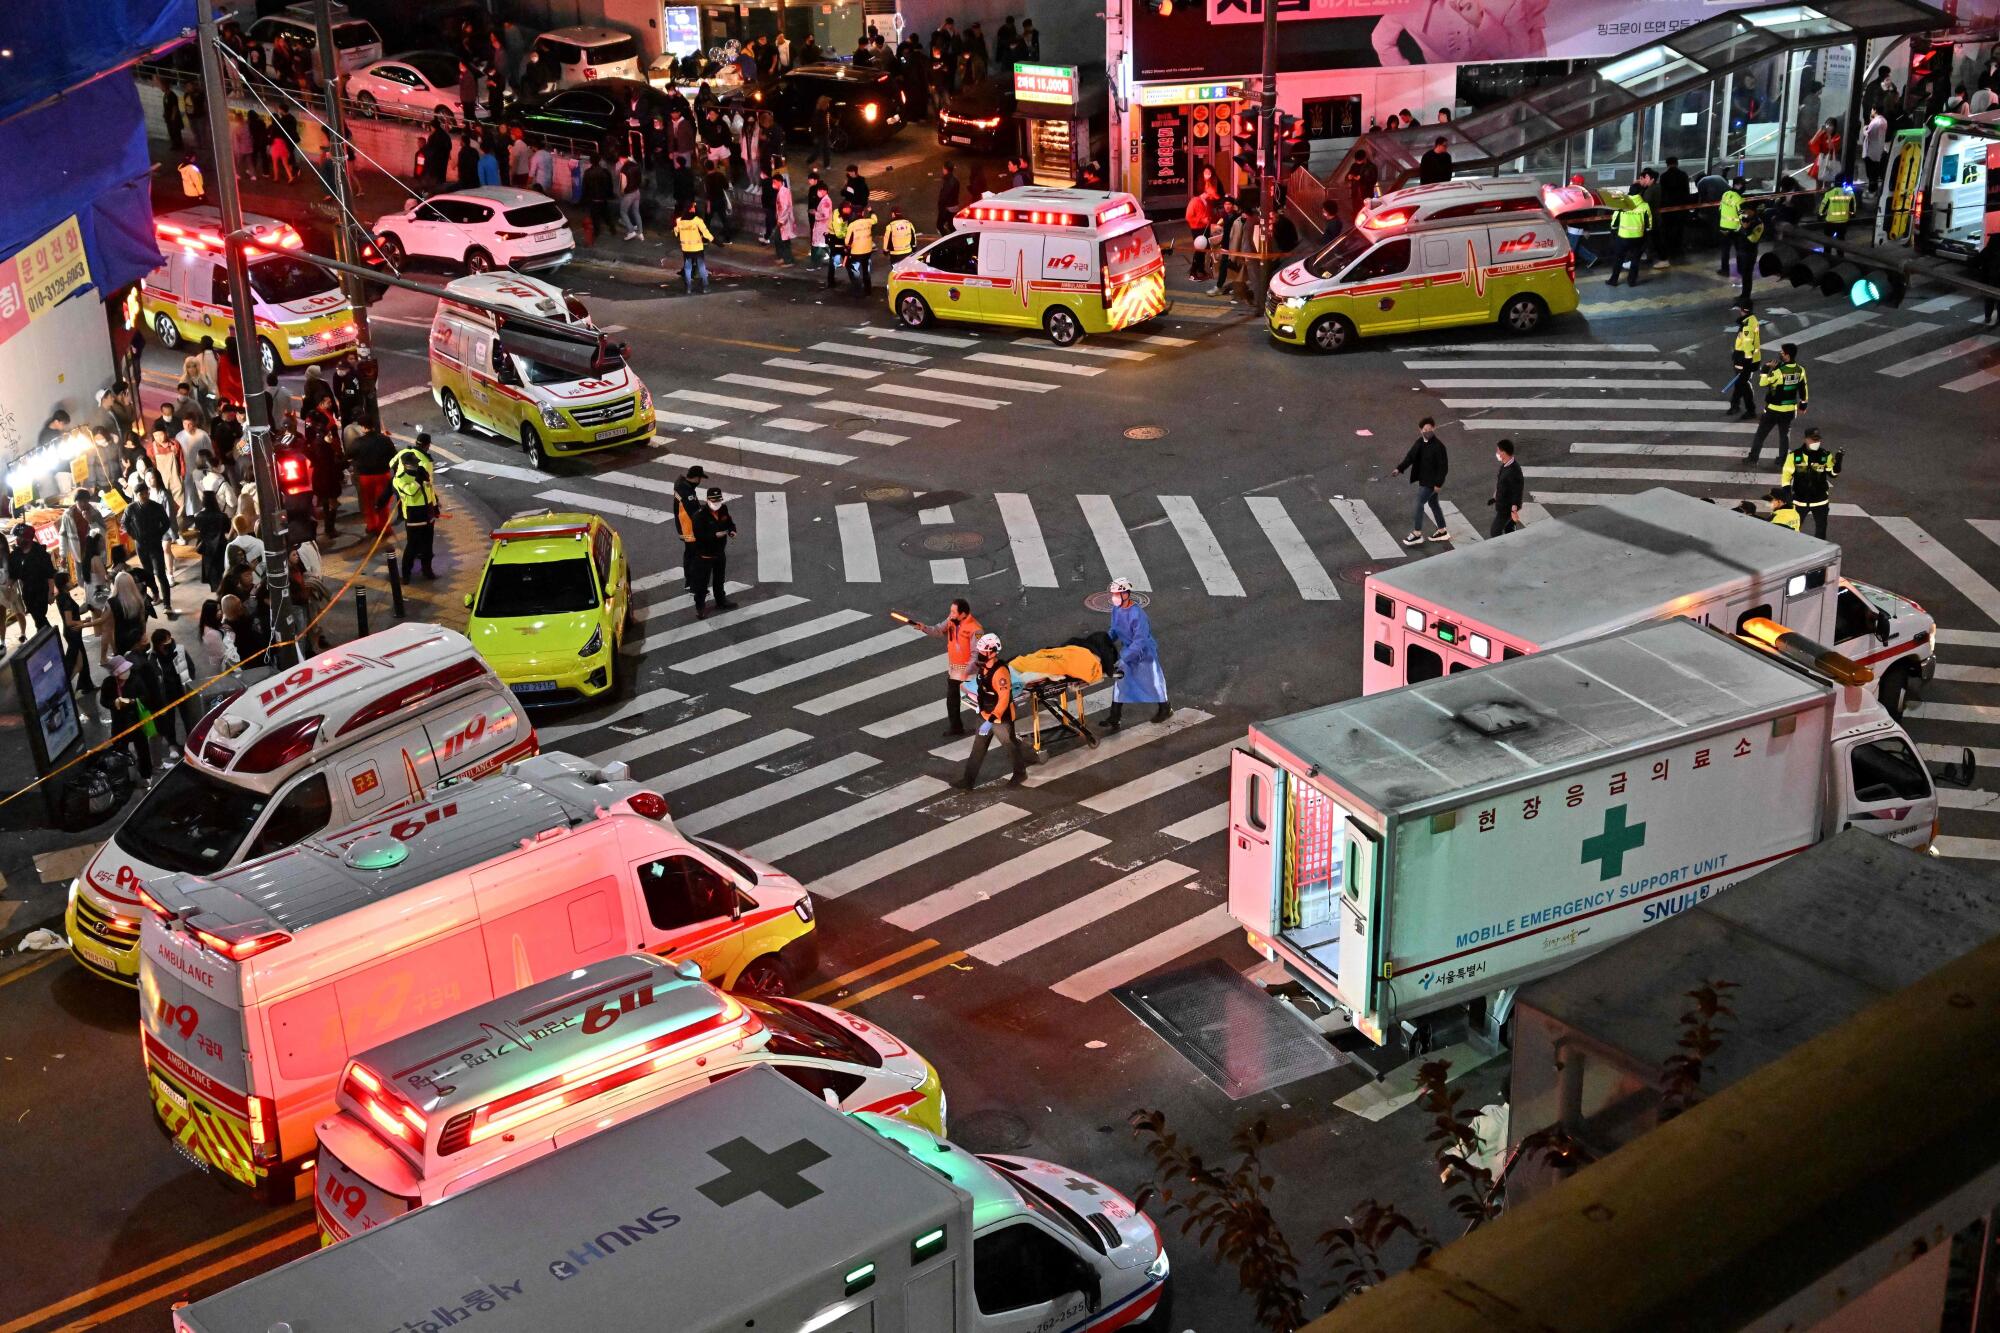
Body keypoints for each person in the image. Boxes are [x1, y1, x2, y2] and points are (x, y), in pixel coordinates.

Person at [960, 633, 1026, 788]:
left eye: (984, 651)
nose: (980, 654)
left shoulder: (1000, 673)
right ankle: (968, 780)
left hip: (1000, 719)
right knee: (978, 747)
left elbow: (1003, 699)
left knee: (1010, 746)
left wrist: (990, 721)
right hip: (985, 714)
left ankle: (1020, 773)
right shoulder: (984, 667)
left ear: (993, 652)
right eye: (980, 651)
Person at [1106, 579, 1170, 729]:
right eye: (1113, 594)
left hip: (1144, 654)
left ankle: (1165, 708)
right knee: (1121, 683)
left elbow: (1140, 641)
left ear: (1126, 594)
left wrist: (1124, 658)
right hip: (1129, 651)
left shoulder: (1137, 614)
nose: (1114, 597)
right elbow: (1115, 629)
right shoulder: (1116, 609)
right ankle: (1114, 716)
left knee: (1154, 682)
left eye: (1117, 594)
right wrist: (1105, 641)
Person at [918, 599, 983, 736]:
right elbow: (937, 630)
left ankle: (988, 727)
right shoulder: (951, 620)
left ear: (963, 614)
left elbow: (976, 654)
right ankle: (956, 728)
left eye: (954, 611)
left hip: (970, 673)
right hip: (955, 670)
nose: (950, 614)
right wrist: (924, 628)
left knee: (979, 702)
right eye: (951, 611)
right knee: (952, 700)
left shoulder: (976, 629)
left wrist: (967, 672)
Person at [1747, 343, 1808, 466]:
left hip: (1774, 410)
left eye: (1782, 352)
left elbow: (1763, 383)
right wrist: (1803, 405)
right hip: (1790, 410)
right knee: (1784, 436)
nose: (1780, 353)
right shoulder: (1800, 370)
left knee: (1761, 434)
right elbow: (1803, 388)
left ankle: (1753, 458)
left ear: (1787, 355)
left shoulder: (1779, 372)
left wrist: (1765, 369)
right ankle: (1782, 460)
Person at [1395, 416, 1450, 545]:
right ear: (1420, 430)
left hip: (1431, 483)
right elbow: (1410, 457)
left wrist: (1438, 484)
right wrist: (1399, 469)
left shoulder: (1439, 446)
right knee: (1433, 504)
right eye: (1425, 429)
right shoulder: (1420, 443)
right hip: (1424, 480)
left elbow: (1443, 467)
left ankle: (1417, 533)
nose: (1428, 431)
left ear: (1434, 428)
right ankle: (1442, 531)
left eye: (1430, 429)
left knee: (1419, 503)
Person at [1780, 428, 1840, 539]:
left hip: (1820, 501)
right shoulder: (1794, 455)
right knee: (1793, 530)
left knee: (1821, 531)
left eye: (1817, 440)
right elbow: (1786, 475)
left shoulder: (1825, 455)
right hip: (1799, 501)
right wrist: (1787, 491)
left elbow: (1833, 474)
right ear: (1805, 439)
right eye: (1813, 440)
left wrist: (1838, 464)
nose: (1815, 443)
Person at [100, 657, 155, 780]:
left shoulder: (136, 679)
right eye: (122, 670)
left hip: (136, 721)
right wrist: (114, 703)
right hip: (120, 724)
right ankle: (123, 779)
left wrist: (132, 702)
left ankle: (146, 774)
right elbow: (103, 700)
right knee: (119, 752)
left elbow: (145, 696)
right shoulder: (108, 683)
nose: (126, 672)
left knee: (142, 749)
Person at [393, 433, 438, 579]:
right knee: (412, 546)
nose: (417, 465)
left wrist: (435, 504)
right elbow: (410, 491)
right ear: (407, 465)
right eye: (415, 463)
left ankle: (428, 570)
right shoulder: (399, 480)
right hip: (413, 515)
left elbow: (429, 487)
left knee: (428, 545)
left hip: (427, 510)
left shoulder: (420, 471)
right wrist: (418, 481)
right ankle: (406, 573)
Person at [126, 484, 176, 617]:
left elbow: (166, 522)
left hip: (155, 544)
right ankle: (155, 595)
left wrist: (159, 534)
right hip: (141, 545)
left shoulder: (156, 507)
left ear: (148, 493)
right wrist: (134, 535)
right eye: (140, 494)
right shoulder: (131, 508)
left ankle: (167, 604)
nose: (144, 496)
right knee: (147, 574)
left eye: (145, 493)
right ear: (136, 496)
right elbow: (124, 524)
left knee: (160, 573)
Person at [690, 487, 737, 617]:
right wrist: (715, 535)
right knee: (702, 582)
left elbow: (729, 523)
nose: (716, 503)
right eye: (713, 500)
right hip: (705, 555)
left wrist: (732, 530)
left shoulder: (723, 509)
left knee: (719, 579)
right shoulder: (699, 516)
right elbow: (699, 535)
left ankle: (721, 601)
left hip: (719, 552)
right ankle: (700, 607)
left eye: (718, 500)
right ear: (707, 500)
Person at [1605, 170, 1654, 286]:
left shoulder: (1622, 204)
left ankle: (1614, 280)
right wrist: (1646, 232)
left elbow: (1614, 221)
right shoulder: (1644, 205)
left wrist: (1613, 230)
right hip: (1638, 237)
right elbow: (1649, 224)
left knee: (1618, 258)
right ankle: (1632, 281)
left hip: (1623, 237)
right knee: (1635, 259)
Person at [347, 418, 396, 532]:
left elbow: (349, 455)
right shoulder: (384, 440)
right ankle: (384, 528)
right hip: (383, 474)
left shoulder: (358, 442)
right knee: (383, 502)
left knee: (368, 503)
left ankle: (371, 525)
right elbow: (394, 455)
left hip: (365, 477)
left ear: (363, 427)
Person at [9, 526, 58, 633]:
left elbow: (49, 575)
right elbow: (13, 576)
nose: (17, 539)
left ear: (27, 538)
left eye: (19, 537)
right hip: (27, 593)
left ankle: (48, 636)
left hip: (41, 590)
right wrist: (6, 588)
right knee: (37, 619)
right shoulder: (15, 555)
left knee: (39, 618)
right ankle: (47, 636)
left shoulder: (41, 553)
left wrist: (51, 593)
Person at [674, 463, 707, 589]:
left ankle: (689, 582)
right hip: (689, 528)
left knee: (689, 555)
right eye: (700, 478)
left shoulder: (681, 485)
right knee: (695, 557)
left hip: (683, 526)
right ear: (696, 478)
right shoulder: (687, 492)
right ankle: (694, 585)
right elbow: (694, 512)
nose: (700, 481)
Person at [1727, 301, 1761, 421]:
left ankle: (1750, 410)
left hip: (1744, 360)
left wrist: (1745, 361)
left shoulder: (1747, 325)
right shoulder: (1752, 319)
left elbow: (1747, 345)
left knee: (1743, 384)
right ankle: (1735, 405)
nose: (1739, 311)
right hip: (1747, 359)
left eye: (1740, 309)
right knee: (1740, 383)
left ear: (1744, 311)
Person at [108, 570, 149, 658]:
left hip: (122, 641)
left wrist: (114, 649)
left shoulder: (111, 602)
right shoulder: (139, 599)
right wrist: (144, 635)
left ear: (116, 584)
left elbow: (110, 629)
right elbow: (143, 621)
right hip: (137, 637)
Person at [194, 490, 230, 590]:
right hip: (221, 547)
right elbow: (227, 529)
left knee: (212, 574)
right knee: (221, 573)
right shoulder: (222, 516)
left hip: (206, 548)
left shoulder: (199, 517)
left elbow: (198, 530)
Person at [674, 202, 713, 294]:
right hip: (698, 249)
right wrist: (713, 239)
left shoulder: (679, 221)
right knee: (701, 267)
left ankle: (688, 288)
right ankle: (705, 287)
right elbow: (705, 232)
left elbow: (676, 232)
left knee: (688, 268)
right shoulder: (697, 220)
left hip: (686, 249)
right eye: (693, 208)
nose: (694, 209)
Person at [1488, 438, 1524, 537]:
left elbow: (1517, 491)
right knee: (1509, 529)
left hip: (1506, 508)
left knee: (1495, 532)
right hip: (1503, 503)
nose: (1497, 453)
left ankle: (1502, 549)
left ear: (1503, 453)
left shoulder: (1514, 471)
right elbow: (1502, 482)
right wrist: (1496, 496)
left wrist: (1514, 510)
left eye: (1498, 451)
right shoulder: (1506, 465)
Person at [845, 205, 878, 295]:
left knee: (850, 266)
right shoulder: (868, 221)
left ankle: (857, 288)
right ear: (863, 213)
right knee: (865, 271)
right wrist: (871, 211)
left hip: (856, 252)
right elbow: (875, 219)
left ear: (854, 214)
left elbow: (847, 241)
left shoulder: (852, 225)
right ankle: (868, 291)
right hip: (867, 251)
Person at [1861, 106, 1889, 196]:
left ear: (1875, 110)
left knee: (1871, 173)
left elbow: (1868, 134)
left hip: (1870, 151)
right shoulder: (1884, 121)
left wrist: (1864, 129)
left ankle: (1871, 191)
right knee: (1875, 172)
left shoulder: (1875, 122)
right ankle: (1874, 190)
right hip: (1878, 150)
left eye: (1872, 109)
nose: (1871, 111)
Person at [617, 150, 645, 240]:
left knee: (623, 212)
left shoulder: (624, 170)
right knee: (636, 211)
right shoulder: (636, 166)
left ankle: (631, 231)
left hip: (628, 194)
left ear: (622, 159)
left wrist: (621, 192)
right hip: (637, 192)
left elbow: (623, 185)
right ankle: (640, 232)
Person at [772, 169, 798, 264]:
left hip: (784, 221)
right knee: (780, 239)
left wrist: (781, 220)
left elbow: (784, 208)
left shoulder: (782, 193)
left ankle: (788, 260)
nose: (773, 184)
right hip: (785, 220)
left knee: (782, 240)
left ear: (779, 182)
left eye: (774, 182)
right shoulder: (784, 191)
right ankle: (784, 258)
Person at [936, 161, 962, 234]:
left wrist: (941, 207)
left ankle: (948, 240)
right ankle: (956, 239)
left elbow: (944, 196)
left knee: (939, 225)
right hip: (954, 206)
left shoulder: (948, 181)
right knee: (951, 226)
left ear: (945, 169)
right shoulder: (955, 180)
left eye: (943, 168)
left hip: (948, 208)